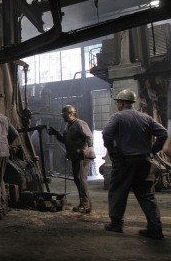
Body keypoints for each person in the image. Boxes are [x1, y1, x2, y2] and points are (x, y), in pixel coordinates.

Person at [102, 89, 167, 240]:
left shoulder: (117, 117)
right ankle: (155, 228)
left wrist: (113, 152)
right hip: (144, 161)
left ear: (122, 103)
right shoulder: (146, 118)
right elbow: (163, 134)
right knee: (146, 195)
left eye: (118, 102)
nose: (118, 104)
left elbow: (107, 134)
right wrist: (152, 151)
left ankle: (116, 224)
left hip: (125, 161)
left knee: (118, 191)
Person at [47, 105, 95, 214]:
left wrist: (83, 149)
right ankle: (84, 203)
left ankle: (85, 204)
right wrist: (55, 133)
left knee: (80, 178)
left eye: (65, 114)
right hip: (76, 156)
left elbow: (89, 137)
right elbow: (64, 140)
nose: (63, 117)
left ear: (72, 114)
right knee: (77, 179)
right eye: (63, 115)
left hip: (84, 155)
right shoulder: (68, 126)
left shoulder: (79, 123)